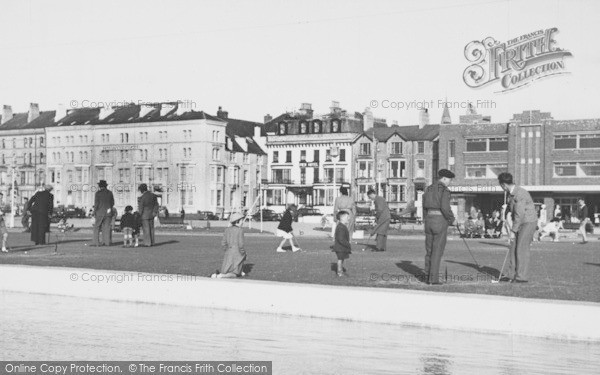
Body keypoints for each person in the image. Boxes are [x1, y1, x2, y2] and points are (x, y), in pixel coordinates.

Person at [498, 172, 537, 283]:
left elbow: (519, 214)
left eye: (501, 186)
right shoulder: (512, 194)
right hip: (520, 222)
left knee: (521, 249)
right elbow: (513, 211)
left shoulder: (519, 194)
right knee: (513, 248)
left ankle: (522, 277)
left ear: (503, 185)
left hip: (528, 222)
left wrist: (513, 231)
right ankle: (511, 275)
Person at [422, 169, 457, 285]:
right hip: (440, 221)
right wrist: (452, 219)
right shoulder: (444, 190)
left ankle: (427, 277)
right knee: (437, 251)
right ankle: (433, 279)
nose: (449, 183)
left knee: (429, 250)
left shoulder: (429, 188)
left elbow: (424, 206)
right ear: (444, 178)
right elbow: (445, 208)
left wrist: (425, 219)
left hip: (429, 220)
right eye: (450, 180)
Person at [212, 212, 247, 278]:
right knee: (235, 273)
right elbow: (241, 245)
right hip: (237, 253)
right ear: (237, 221)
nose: (243, 222)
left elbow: (223, 243)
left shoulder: (227, 229)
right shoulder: (240, 230)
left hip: (228, 252)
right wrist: (243, 253)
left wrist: (227, 250)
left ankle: (219, 274)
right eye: (242, 220)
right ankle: (222, 276)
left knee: (227, 269)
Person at [92, 180, 114, 247]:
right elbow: (112, 203)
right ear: (106, 186)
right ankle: (107, 242)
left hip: (99, 212)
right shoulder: (110, 193)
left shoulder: (98, 193)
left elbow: (96, 204)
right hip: (108, 213)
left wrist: (94, 212)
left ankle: (96, 243)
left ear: (99, 186)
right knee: (107, 228)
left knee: (97, 227)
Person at [332, 210, 352, 277]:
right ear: (342, 218)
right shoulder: (340, 227)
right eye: (347, 217)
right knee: (340, 260)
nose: (348, 219)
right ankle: (339, 272)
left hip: (341, 247)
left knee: (341, 259)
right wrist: (348, 244)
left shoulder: (342, 226)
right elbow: (341, 239)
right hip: (340, 247)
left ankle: (340, 271)